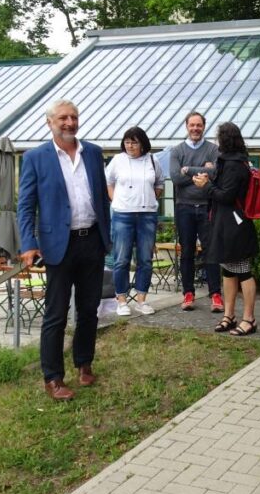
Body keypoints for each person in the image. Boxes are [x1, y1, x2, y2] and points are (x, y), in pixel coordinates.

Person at [17, 99, 111, 402]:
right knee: (56, 314)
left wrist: (106, 236)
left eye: (73, 117)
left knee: (89, 310)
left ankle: (84, 363)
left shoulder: (94, 154)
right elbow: (26, 206)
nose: (69, 123)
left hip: (92, 241)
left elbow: (102, 198)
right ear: (50, 122)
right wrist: (28, 244)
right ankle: (53, 378)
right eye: (63, 118)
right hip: (58, 245)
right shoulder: (36, 158)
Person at [192, 122, 259, 337]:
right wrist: (210, 180)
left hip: (235, 224)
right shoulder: (232, 161)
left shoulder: (234, 164)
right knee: (229, 270)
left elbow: (226, 196)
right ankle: (229, 316)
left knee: (243, 271)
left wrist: (206, 186)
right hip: (227, 223)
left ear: (224, 140)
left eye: (219, 138)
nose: (216, 141)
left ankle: (249, 319)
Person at [168, 111, 223, 313]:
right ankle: (188, 293)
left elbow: (216, 174)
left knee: (211, 251)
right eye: (192, 125)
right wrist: (202, 170)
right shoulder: (176, 150)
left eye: (199, 125)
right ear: (186, 126)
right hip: (185, 207)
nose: (195, 129)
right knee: (187, 252)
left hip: (208, 206)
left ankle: (215, 295)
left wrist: (188, 169)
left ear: (204, 126)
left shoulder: (213, 149)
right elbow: (175, 178)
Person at [105, 126, 164, 317]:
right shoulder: (117, 160)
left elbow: (159, 184)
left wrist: (150, 200)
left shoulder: (152, 160)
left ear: (142, 143)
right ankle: (121, 300)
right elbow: (108, 182)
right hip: (123, 215)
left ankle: (141, 300)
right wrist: (116, 201)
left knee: (145, 260)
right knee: (121, 259)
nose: (130, 146)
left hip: (147, 215)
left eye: (134, 142)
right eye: (127, 142)